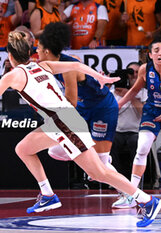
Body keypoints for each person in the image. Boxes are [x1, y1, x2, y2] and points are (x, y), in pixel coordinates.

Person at [0, 30, 161, 228]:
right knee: (23, 148)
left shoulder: (14, 75)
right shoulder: (43, 65)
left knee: (99, 172)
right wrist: (98, 76)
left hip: (65, 124)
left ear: (10, 55)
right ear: (29, 52)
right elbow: (76, 66)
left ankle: (146, 200)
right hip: (59, 122)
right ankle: (47, 195)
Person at [39, 22, 118, 180]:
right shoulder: (47, 65)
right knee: (54, 151)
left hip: (102, 107)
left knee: (99, 168)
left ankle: (130, 195)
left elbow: (71, 102)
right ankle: (92, 157)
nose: (36, 51)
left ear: (47, 51)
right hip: (84, 107)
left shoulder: (68, 67)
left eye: (38, 48)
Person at [118, 37, 161, 208]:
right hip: (152, 111)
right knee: (142, 148)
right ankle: (133, 194)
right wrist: (119, 104)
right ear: (150, 55)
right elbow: (134, 90)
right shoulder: (145, 70)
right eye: (156, 50)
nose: (160, 53)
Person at [110, 62, 147, 208]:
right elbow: (111, 112)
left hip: (135, 131)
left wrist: (129, 95)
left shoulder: (143, 93)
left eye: (138, 72)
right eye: (131, 73)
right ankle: (119, 183)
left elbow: (143, 113)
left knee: (136, 143)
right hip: (118, 131)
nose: (135, 76)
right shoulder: (113, 92)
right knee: (110, 144)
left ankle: (135, 185)